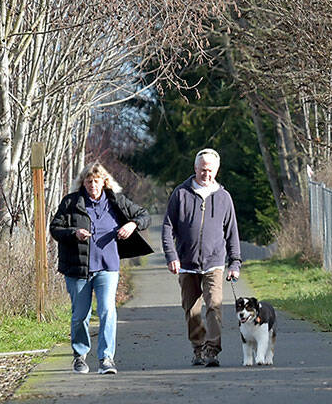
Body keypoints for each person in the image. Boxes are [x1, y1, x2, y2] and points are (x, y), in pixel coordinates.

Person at [50, 163, 152, 375]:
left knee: (107, 310)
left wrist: (132, 225)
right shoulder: (71, 202)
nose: (93, 185)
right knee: (80, 315)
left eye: (96, 181)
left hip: (108, 267)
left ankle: (106, 358)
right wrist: (74, 233)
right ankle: (79, 355)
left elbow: (144, 216)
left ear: (104, 182)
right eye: (88, 181)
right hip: (78, 269)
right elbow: (55, 228)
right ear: (83, 183)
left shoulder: (116, 201)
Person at [160, 148, 242, 367]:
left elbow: (232, 232)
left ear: (217, 170)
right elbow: (168, 227)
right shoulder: (180, 194)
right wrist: (171, 256)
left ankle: (212, 350)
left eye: (211, 170)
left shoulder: (224, 197)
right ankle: (198, 348)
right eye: (203, 170)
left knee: (214, 305)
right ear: (195, 168)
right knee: (192, 309)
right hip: (186, 263)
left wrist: (235, 263)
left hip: (214, 262)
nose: (207, 174)